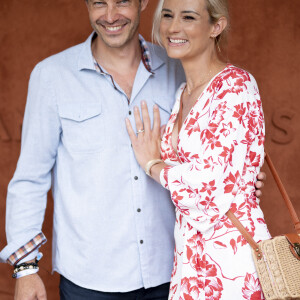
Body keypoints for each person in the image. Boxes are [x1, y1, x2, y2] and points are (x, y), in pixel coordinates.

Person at [0, 0, 265, 299]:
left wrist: (241, 179)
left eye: (122, 1)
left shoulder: (181, 64)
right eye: (99, 2)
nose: (110, 16)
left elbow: (214, 158)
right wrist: (25, 267)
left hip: (176, 271)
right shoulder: (51, 76)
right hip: (90, 280)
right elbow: (30, 179)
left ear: (142, 2)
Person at [126, 0, 271, 299]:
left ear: (216, 27)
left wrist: (153, 165)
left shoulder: (236, 87)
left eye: (189, 17)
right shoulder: (183, 93)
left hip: (232, 260)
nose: (173, 27)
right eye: (167, 15)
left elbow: (210, 185)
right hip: (189, 259)